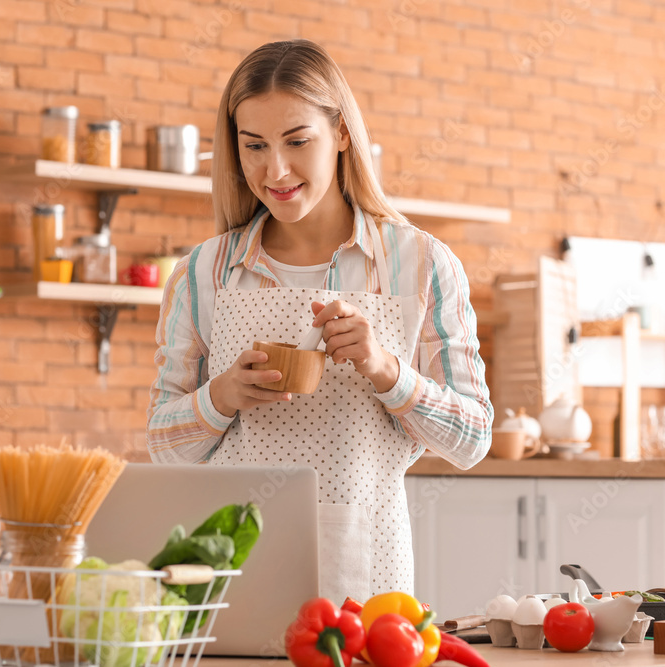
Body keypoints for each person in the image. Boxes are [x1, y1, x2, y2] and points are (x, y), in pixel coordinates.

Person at [147, 39, 491, 603]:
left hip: (370, 572)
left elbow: (472, 438)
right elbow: (164, 445)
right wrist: (224, 394)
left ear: (343, 135)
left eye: (297, 141)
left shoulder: (422, 264)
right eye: (253, 145)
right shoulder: (203, 272)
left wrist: (386, 370)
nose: (274, 169)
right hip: (233, 571)